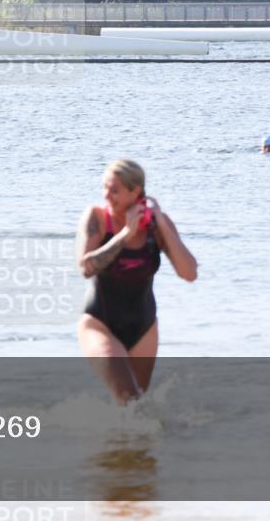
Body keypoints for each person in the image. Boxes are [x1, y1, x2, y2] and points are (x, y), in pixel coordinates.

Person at [77, 159, 197, 405]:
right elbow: (86, 268)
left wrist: (162, 223)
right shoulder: (97, 219)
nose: (106, 196)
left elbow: (189, 273)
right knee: (129, 401)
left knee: (136, 408)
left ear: (136, 192)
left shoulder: (156, 226)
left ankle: (109, 438)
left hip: (144, 328)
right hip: (100, 324)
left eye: (114, 190)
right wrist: (124, 235)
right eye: (104, 188)